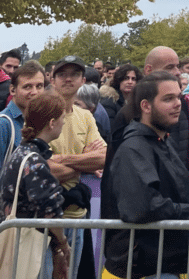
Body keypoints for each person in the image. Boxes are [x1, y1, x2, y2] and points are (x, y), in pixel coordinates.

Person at [101, 72, 189, 278]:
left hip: (168, 266)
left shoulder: (162, 141)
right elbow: (142, 207)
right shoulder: (134, 148)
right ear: (146, 106)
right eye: (168, 99)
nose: (177, 104)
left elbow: (166, 194)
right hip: (142, 269)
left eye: (178, 97)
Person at [0, 92, 72, 279]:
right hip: (30, 246)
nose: (64, 123)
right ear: (51, 123)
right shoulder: (35, 162)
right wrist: (63, 243)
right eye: (62, 118)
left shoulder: (21, 151)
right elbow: (50, 213)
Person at [47, 55, 106, 277]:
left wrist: (62, 159)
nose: (68, 79)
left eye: (74, 75)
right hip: (45, 220)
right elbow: (45, 170)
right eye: (62, 74)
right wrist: (84, 162)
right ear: (52, 80)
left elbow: (104, 157)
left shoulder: (86, 117)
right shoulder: (40, 113)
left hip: (77, 217)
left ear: (83, 81)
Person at [0, 61, 45, 160]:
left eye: (39, 86)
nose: (35, 92)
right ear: (12, 90)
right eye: (27, 87)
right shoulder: (3, 124)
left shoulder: (39, 120)